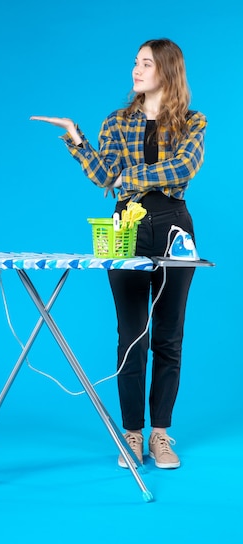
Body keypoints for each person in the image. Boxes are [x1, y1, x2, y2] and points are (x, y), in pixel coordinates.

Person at [30, 38, 206, 469]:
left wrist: (128, 177)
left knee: (169, 336)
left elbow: (184, 168)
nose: (136, 70)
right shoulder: (115, 122)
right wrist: (76, 139)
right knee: (132, 336)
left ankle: (161, 434)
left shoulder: (192, 122)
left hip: (173, 227)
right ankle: (132, 434)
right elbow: (104, 176)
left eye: (146, 63)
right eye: (135, 62)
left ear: (167, 70)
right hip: (125, 230)